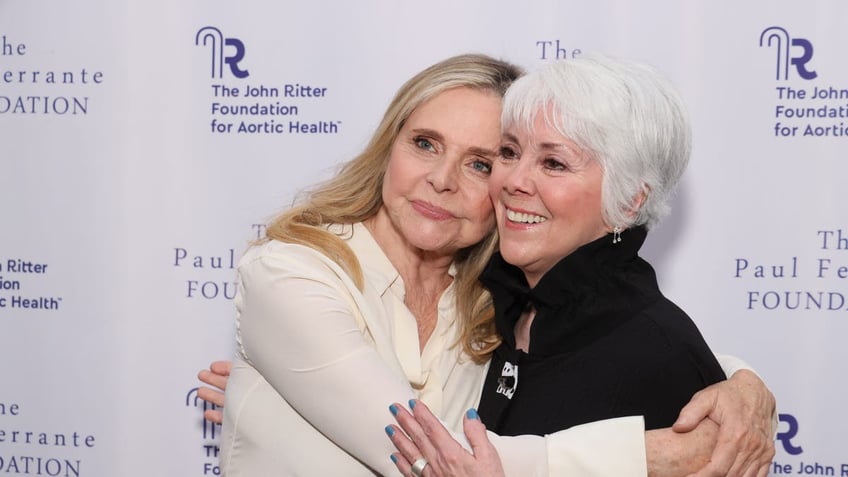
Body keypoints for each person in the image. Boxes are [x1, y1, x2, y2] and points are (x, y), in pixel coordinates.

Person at [200, 54, 776, 477]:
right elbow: (428, 453)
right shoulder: (290, 275)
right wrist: (649, 456)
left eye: (481, 162)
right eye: (425, 143)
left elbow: (621, 341)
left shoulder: (485, 299)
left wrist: (741, 385)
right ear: (387, 147)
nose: (443, 179)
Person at [386, 56, 775, 477]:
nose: (515, 180)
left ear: (628, 201)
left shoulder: (657, 351)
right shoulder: (501, 302)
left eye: (554, 163)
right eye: (509, 152)